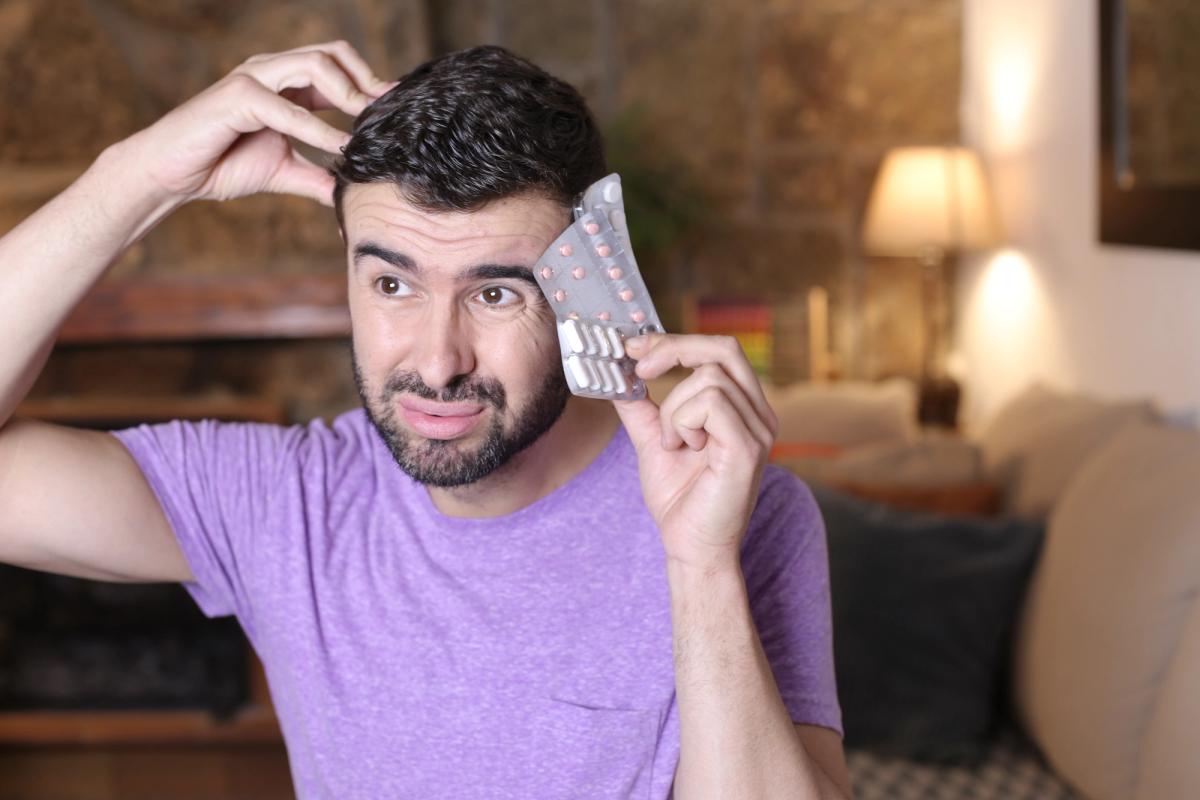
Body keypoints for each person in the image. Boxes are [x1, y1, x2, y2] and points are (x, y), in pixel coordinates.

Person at [0, 41, 849, 799]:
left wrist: (700, 568)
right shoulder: (285, 503)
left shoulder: (740, 518)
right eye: (392, 284)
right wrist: (134, 180)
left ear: (580, 287)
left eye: (493, 293)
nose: (438, 362)